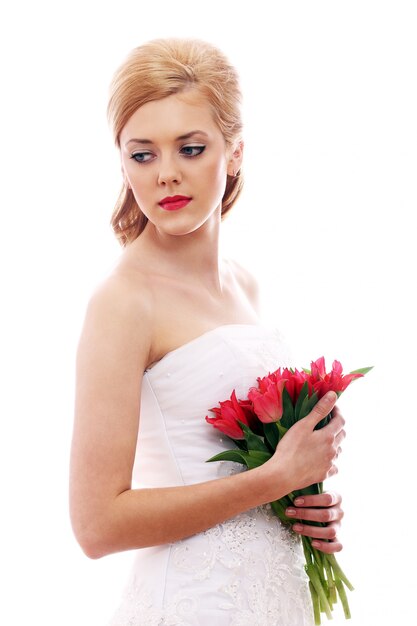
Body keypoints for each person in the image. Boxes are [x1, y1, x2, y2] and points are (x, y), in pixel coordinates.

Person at [69, 38, 346, 626]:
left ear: (235, 150)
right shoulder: (123, 303)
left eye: (190, 148)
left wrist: (298, 498)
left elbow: (235, 469)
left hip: (271, 599)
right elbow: (96, 526)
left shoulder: (246, 284)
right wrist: (274, 478)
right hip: (193, 605)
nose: (167, 174)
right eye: (142, 155)